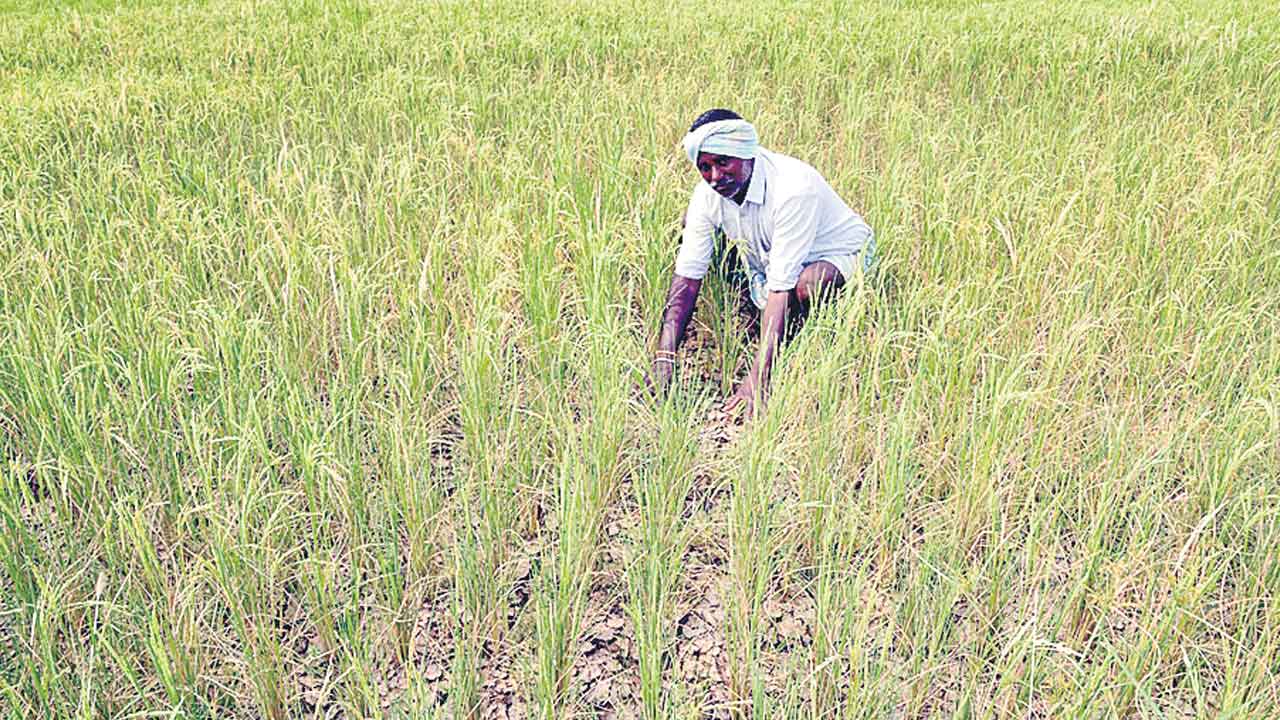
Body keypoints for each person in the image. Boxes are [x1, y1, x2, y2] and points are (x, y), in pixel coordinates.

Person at [645, 108, 875, 416]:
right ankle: (760, 315)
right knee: (691, 226)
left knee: (807, 285)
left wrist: (757, 381)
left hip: (834, 257)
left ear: (746, 153)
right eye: (704, 167)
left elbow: (782, 285)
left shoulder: (794, 189)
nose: (715, 177)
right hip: (769, 260)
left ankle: (799, 333)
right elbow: (687, 277)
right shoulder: (708, 194)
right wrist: (664, 357)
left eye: (723, 162)